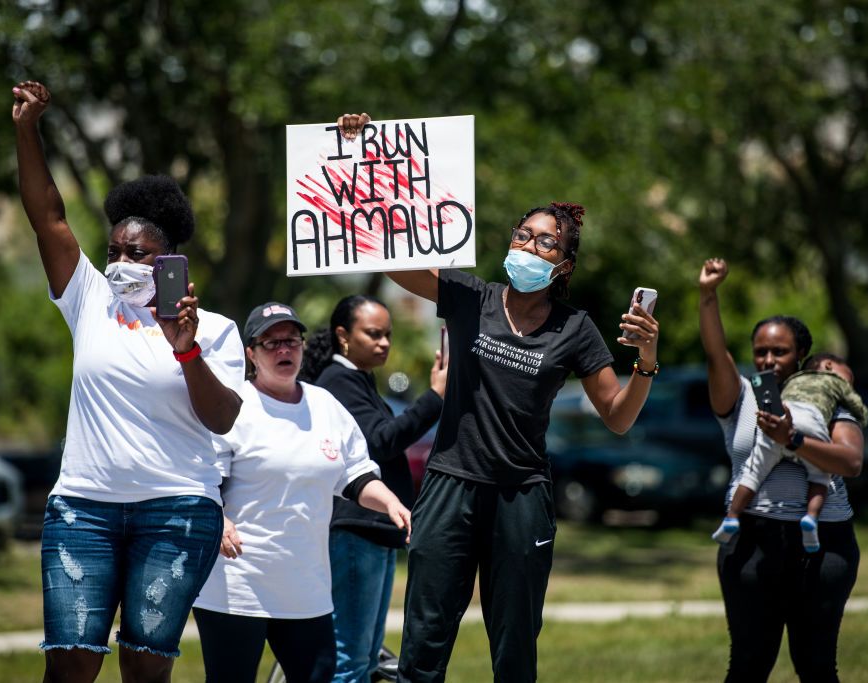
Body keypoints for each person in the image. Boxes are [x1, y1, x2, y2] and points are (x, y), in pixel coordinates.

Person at [343, 106, 661, 683]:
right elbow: (390, 256)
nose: (527, 246)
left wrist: (645, 363)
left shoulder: (576, 328)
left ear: (562, 264)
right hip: (449, 485)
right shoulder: (470, 295)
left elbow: (617, 417)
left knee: (514, 650)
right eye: (522, 235)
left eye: (544, 243)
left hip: (522, 496)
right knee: (422, 645)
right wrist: (367, 156)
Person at [13, 81, 245, 683]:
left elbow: (222, 418)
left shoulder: (214, 330)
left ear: (170, 260)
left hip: (176, 512)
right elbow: (48, 216)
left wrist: (186, 348)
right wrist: (27, 129)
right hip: (83, 508)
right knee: (71, 662)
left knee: (145, 667)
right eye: (114, 249)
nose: (122, 262)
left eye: (139, 253)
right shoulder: (88, 298)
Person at [192, 302, 414, 683]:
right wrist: (220, 518)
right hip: (238, 583)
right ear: (251, 353)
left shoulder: (325, 405)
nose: (284, 350)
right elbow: (201, 481)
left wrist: (392, 503)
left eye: (292, 341)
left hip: (305, 587)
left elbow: (357, 477)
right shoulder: (234, 407)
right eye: (271, 343)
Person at [698, 257, 864, 682]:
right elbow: (716, 353)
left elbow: (851, 462)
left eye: (780, 350)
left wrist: (794, 439)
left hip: (823, 545)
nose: (768, 359)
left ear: (801, 354)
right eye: (761, 351)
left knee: (816, 665)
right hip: (751, 543)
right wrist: (708, 295)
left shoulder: (828, 398)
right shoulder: (739, 397)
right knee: (749, 665)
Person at [299, 295, 447, 683]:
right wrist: (434, 399)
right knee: (350, 657)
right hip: (354, 530)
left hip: (373, 532)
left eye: (388, 335)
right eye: (373, 334)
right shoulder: (338, 381)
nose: (384, 343)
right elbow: (377, 443)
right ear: (343, 336)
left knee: (365, 657)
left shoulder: (357, 380)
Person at [713, 352, 868, 552]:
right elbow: (854, 401)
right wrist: (862, 416)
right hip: (811, 424)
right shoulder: (835, 381)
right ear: (829, 366)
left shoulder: (793, 380)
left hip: (782, 419)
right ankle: (811, 519)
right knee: (821, 476)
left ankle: (732, 517)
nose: (849, 383)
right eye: (849, 378)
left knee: (752, 475)